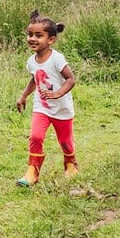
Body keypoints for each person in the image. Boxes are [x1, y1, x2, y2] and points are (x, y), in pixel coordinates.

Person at [15, 10, 79, 186]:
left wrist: (58, 93)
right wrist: (23, 96)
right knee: (35, 136)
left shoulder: (57, 59)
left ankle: (70, 165)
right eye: (29, 34)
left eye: (38, 35)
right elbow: (35, 79)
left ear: (51, 39)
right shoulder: (31, 61)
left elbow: (71, 79)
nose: (32, 38)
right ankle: (32, 172)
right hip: (41, 107)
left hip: (62, 108)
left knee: (65, 142)